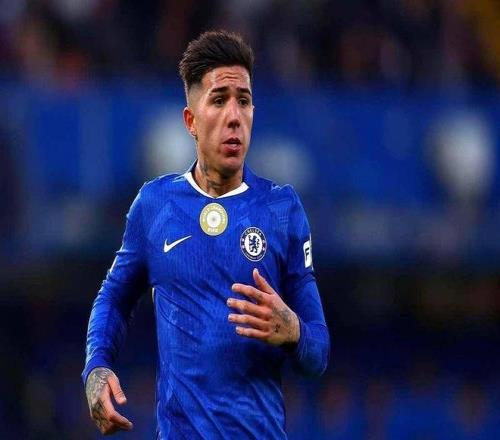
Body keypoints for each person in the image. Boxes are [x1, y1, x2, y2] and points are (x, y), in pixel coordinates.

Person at [82, 30, 330, 439]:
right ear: (191, 121)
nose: (234, 116)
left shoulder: (281, 209)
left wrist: (295, 332)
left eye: (244, 101)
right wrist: (96, 367)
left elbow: (317, 353)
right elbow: (113, 297)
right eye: (219, 100)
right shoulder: (155, 205)